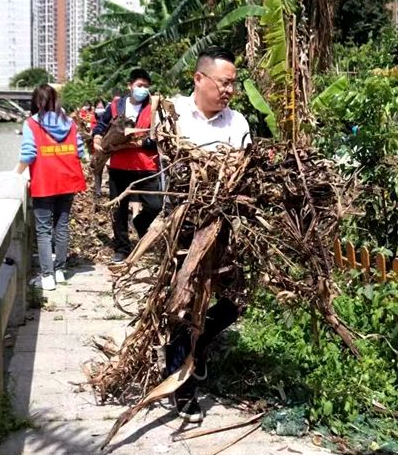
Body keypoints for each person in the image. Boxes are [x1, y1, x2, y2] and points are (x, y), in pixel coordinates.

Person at [165, 46, 251, 423]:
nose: (230, 90)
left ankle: (196, 351)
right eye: (224, 82)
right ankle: (181, 388)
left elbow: (244, 172)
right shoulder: (172, 114)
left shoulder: (238, 124)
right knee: (181, 306)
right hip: (181, 227)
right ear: (199, 78)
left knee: (234, 301)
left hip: (224, 228)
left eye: (234, 84)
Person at [16, 84, 87, 292]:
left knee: (44, 230)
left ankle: (47, 277)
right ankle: (59, 271)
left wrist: (14, 175)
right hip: (68, 180)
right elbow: (80, 151)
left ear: (36, 102)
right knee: (62, 226)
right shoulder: (70, 123)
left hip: (45, 181)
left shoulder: (31, 123)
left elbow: (28, 154)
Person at [92, 69, 162, 263]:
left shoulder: (155, 107)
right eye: (140, 85)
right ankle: (122, 247)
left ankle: (140, 222)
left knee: (155, 205)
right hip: (119, 166)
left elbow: (160, 138)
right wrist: (97, 137)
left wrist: (135, 143)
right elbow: (101, 125)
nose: (143, 90)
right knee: (118, 208)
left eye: (146, 86)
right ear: (129, 85)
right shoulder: (116, 106)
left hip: (146, 165)